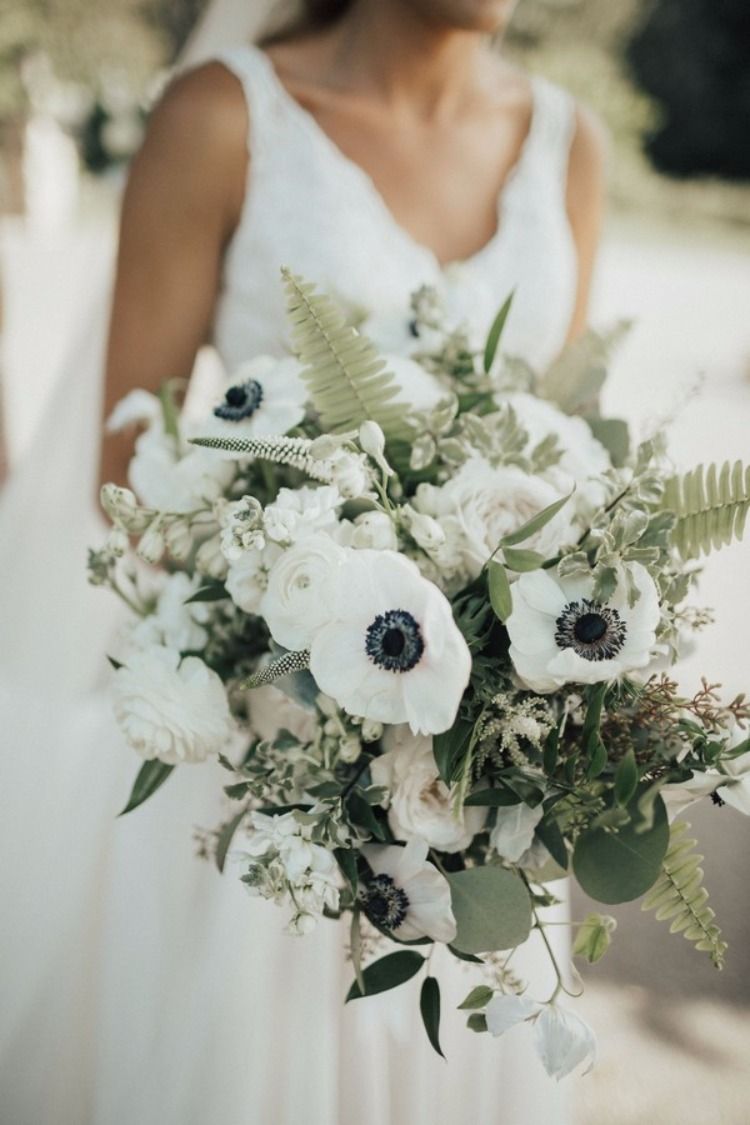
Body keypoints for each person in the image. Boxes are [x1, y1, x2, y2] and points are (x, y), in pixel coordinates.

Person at [0, 2, 605, 1122]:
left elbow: (566, 456)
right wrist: (331, 572)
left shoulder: (571, 143)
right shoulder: (226, 117)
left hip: (478, 797)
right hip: (269, 788)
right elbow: (127, 483)